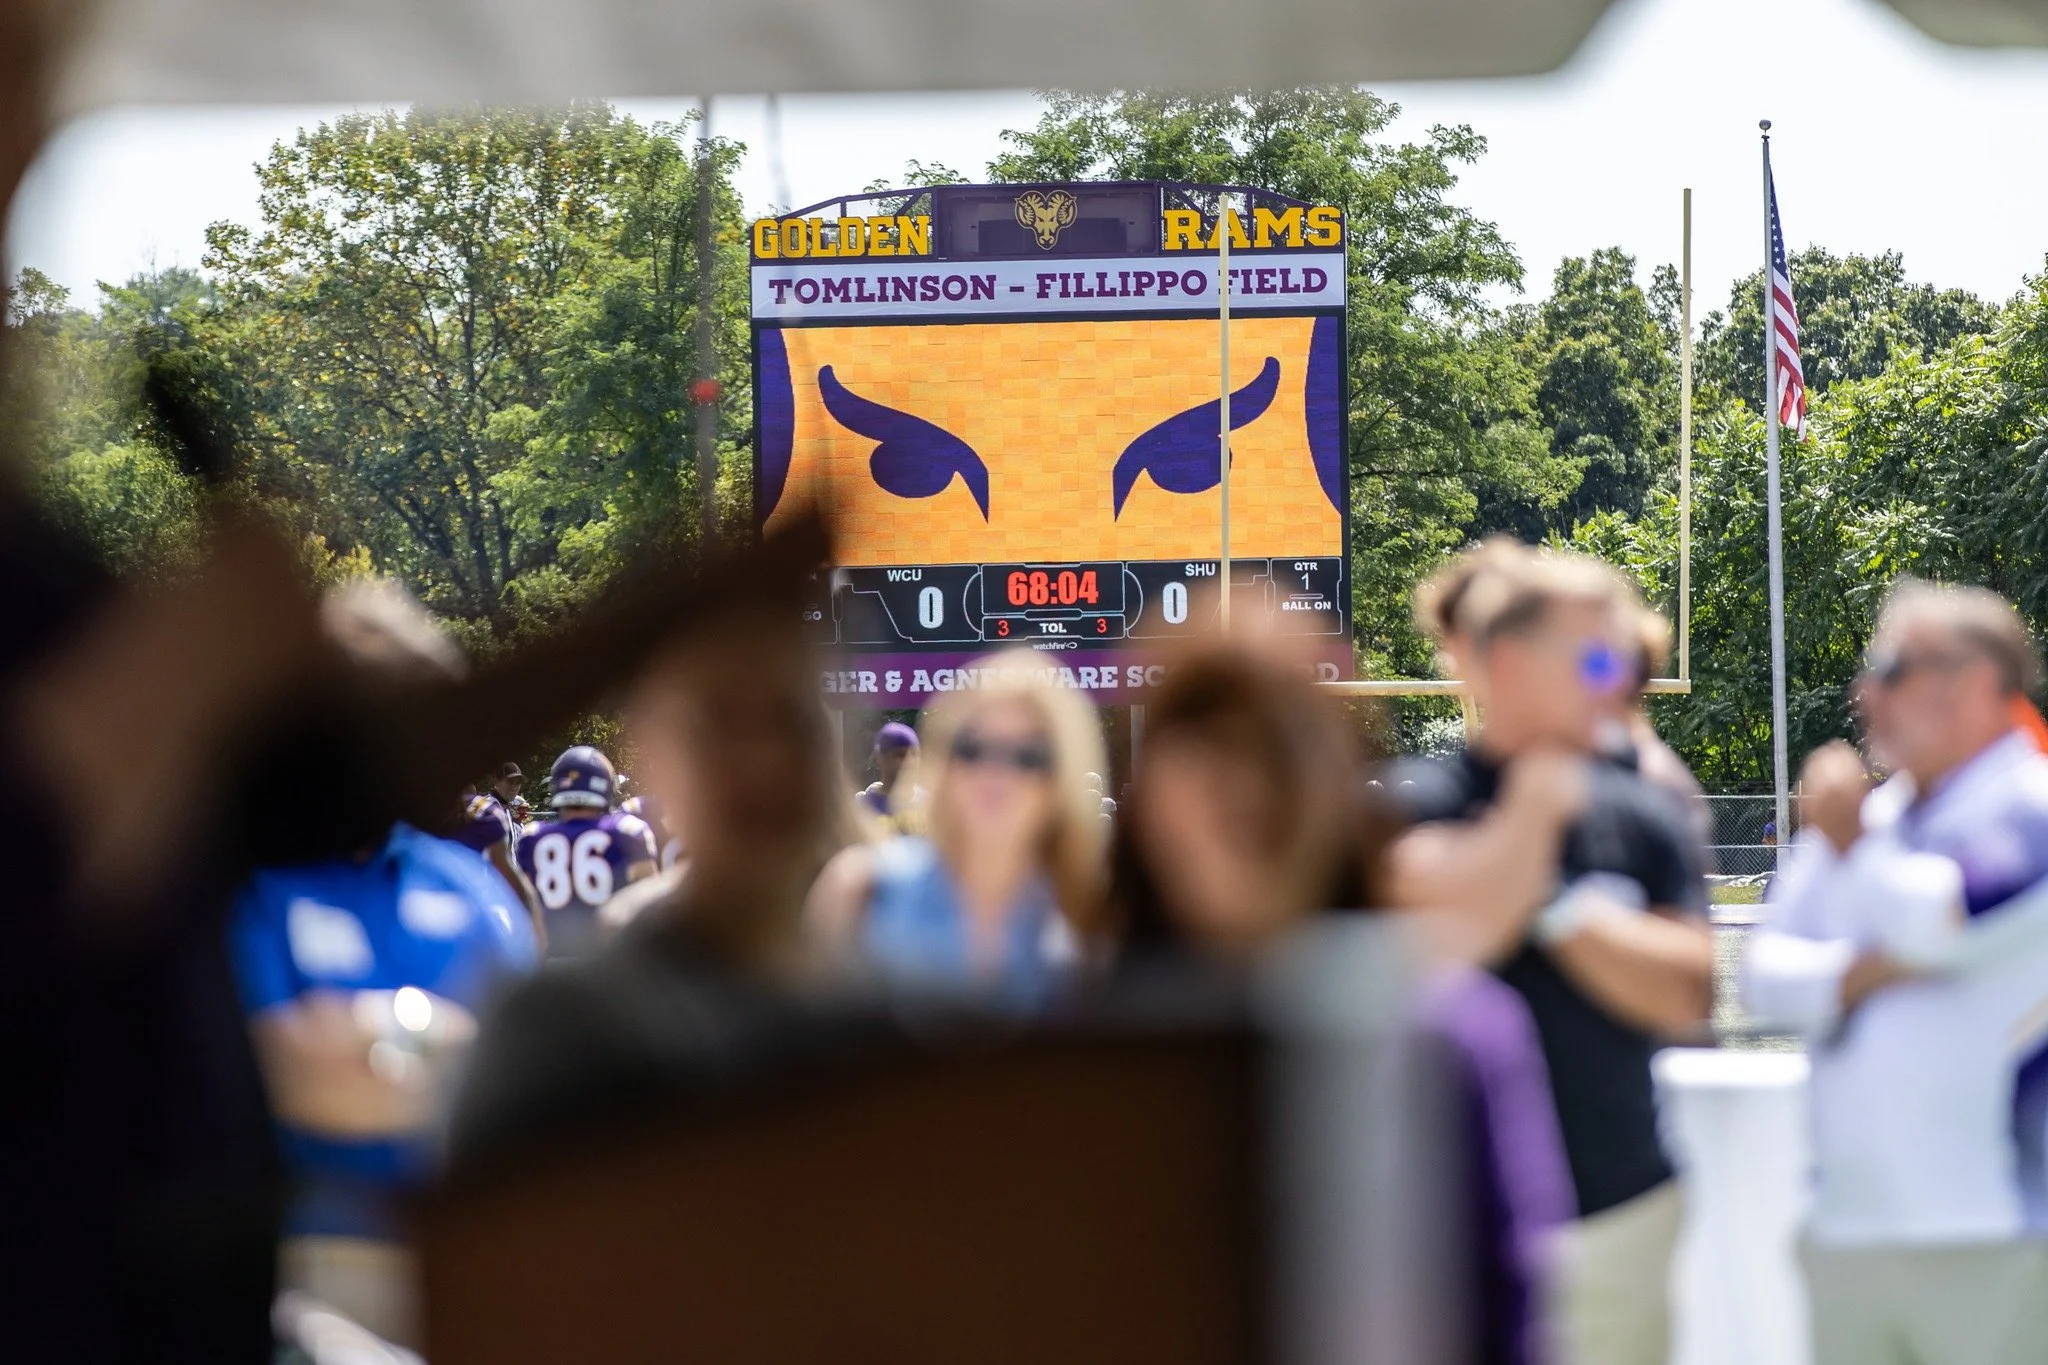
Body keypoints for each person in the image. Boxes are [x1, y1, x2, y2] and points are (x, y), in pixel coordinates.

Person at [1106, 643, 1572, 1365]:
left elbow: (1520, 1323)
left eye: (1270, 742)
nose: (1237, 778)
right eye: (1202, 741)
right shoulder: (1084, 1043)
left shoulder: (1454, 1034)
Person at [1385, 543, 1713, 1365]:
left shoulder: (1646, 809)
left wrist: (1540, 898)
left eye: (1622, 660)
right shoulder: (1416, 796)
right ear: (1504, 661)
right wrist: (1532, 822)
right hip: (1444, 1228)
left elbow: (1686, 992)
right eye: (1595, 657)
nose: (1615, 682)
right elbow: (1433, 938)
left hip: (1619, 1215)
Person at [449, 600, 871, 1168]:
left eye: (787, 723)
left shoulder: (881, 1006)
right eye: (720, 726)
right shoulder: (556, 1030)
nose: (762, 763)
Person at [1743, 581, 2048, 1365]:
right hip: (1845, 1228)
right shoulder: (1871, 819)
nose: (1863, 691)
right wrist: (1863, 975)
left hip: (1990, 1234)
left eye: (1888, 666)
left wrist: (1851, 850)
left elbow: (1943, 922)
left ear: (1977, 681)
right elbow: (1763, 981)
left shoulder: (2031, 803)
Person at [228, 581, 541, 1346]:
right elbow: (282, 1071)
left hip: (485, 1262)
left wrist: (371, 1039)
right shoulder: (240, 884)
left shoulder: (470, 885)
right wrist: (453, 1043)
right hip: (305, 1280)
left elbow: (542, 1078)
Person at [808, 650, 1108, 1008]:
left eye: (1028, 756)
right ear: (942, 766)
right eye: (972, 749)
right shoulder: (861, 893)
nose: (996, 772)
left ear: (1062, 779)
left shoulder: (1099, 917)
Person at [514, 744, 658, 956]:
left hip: (553, 966)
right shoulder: (627, 831)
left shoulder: (533, 836)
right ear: (605, 786)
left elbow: (528, 913)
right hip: (611, 966)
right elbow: (652, 911)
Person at [858, 720, 922, 831]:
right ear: (881, 758)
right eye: (900, 755)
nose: (909, 761)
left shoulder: (929, 805)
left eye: (914, 754)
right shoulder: (864, 807)